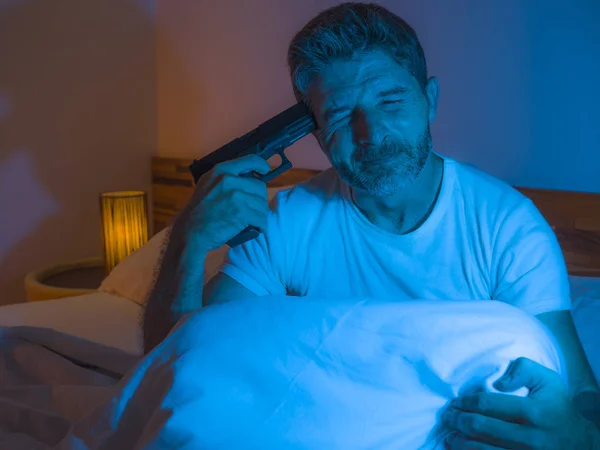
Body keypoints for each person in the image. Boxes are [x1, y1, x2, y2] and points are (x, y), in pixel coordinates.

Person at [143, 2, 600, 448]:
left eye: (391, 100)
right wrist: (189, 238)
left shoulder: (509, 229)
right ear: (320, 136)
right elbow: (177, 369)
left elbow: (579, 394)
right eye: (341, 115)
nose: (372, 133)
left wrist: (579, 436)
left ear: (431, 101)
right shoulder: (283, 222)